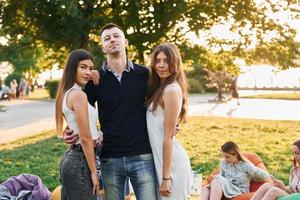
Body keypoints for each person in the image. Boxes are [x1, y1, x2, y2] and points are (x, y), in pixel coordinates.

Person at [64, 23, 157, 200]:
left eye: (116, 36)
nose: (112, 40)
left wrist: (173, 122)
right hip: (110, 158)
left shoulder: (144, 74)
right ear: (102, 47)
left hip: (142, 155)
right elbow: (79, 113)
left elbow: (160, 104)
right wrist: (69, 131)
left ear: (126, 42)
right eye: (107, 38)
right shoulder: (95, 80)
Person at [146, 43, 192, 199]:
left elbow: (168, 138)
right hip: (162, 162)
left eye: (166, 61)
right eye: (157, 60)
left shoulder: (171, 90)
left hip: (172, 167)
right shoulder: (160, 87)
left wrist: (166, 178)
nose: (161, 65)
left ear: (175, 63)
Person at [55, 49, 100, 200]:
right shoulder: (79, 96)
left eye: (90, 68)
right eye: (83, 67)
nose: (88, 72)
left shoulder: (67, 93)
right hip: (81, 161)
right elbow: (86, 137)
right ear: (72, 67)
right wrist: (94, 172)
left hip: (72, 159)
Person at [201, 141, 269, 200]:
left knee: (217, 178)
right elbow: (222, 178)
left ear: (236, 155)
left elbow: (265, 176)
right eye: (224, 156)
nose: (225, 159)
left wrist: (253, 177)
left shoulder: (246, 165)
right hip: (227, 188)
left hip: (239, 190)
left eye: (227, 157)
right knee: (206, 188)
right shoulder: (224, 162)